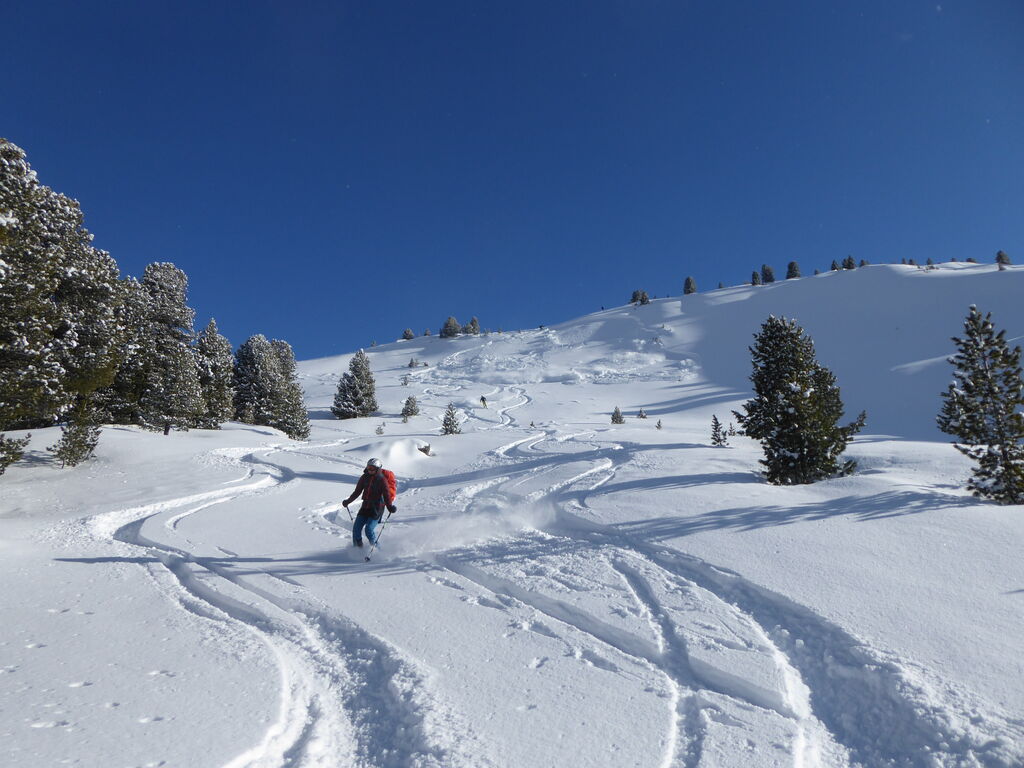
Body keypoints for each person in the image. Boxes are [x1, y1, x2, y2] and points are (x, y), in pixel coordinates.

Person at [343, 458, 397, 548]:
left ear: (378, 469)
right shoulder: (364, 477)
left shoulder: (382, 480)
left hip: (377, 508)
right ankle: (358, 549)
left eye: (372, 468)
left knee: (368, 530)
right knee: (356, 529)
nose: (370, 470)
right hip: (365, 507)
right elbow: (357, 491)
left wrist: (390, 507)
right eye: (368, 468)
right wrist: (348, 501)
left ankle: (377, 550)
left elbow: (386, 495)